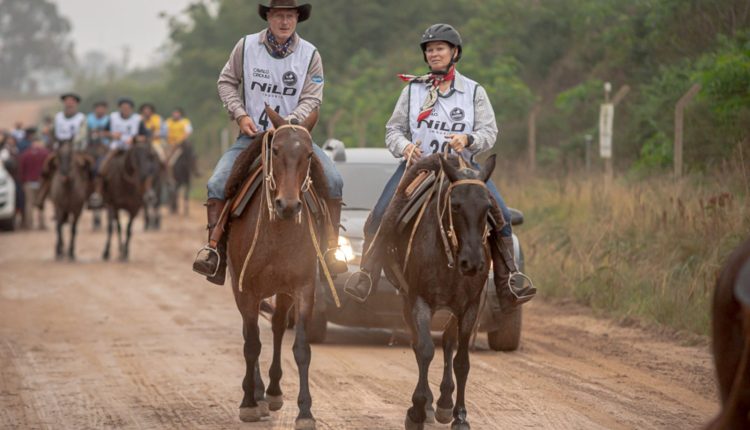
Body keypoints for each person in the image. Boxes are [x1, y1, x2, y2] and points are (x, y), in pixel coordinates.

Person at [344, 24, 535, 305]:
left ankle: (509, 282)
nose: (434, 54)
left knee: (502, 216)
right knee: (380, 215)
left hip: (463, 169)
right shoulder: (412, 90)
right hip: (419, 166)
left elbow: (489, 132)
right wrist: (405, 147)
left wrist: (468, 138)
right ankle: (367, 275)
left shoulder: (474, 91)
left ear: (454, 52)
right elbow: (392, 130)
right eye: (430, 50)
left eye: (440, 48)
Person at [192, 0, 346, 286]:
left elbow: (313, 97)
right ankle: (215, 251)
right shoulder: (246, 46)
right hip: (252, 135)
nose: (284, 22)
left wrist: (289, 124)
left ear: (298, 18)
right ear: (269, 17)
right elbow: (226, 82)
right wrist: (240, 115)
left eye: (290, 16)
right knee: (217, 183)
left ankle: (331, 250)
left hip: (295, 139)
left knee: (334, 181)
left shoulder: (310, 53)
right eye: (278, 16)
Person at [88, 97, 149, 208]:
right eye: (123, 108)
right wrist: (112, 135)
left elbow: (145, 136)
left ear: (131, 109)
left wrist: (135, 139)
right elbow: (104, 132)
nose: (125, 110)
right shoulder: (113, 118)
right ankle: (97, 193)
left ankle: (147, 192)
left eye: (128, 108)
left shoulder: (137, 119)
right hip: (116, 148)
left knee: (145, 167)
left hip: (132, 149)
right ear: (120, 108)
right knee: (101, 167)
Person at [34, 93, 88, 208]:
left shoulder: (81, 117)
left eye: (72, 101)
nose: (69, 103)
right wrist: (48, 133)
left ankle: (92, 193)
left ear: (76, 103)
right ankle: (42, 195)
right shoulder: (58, 117)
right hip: (59, 149)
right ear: (64, 103)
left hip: (75, 149)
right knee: (47, 167)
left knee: (89, 165)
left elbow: (82, 133)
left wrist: (73, 141)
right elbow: (53, 131)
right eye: (67, 101)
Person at [18, 139, 50, 229]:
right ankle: (42, 224)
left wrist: (23, 180)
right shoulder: (45, 154)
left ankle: (29, 224)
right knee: (41, 203)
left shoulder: (25, 154)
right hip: (41, 182)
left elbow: (21, 169)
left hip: (28, 182)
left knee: (29, 204)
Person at [162, 107, 192, 176]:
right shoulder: (168, 121)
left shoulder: (185, 122)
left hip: (181, 144)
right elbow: (163, 132)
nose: (175, 115)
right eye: (174, 113)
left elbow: (188, 132)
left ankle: (193, 167)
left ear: (180, 114)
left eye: (177, 113)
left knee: (190, 149)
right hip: (170, 143)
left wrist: (180, 141)